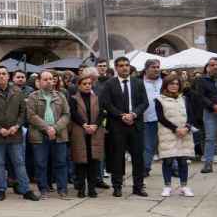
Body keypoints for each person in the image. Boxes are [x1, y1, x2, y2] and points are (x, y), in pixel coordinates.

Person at [0, 65, 39, 202]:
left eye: (4, 73)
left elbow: (23, 112)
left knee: (19, 162)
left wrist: (17, 126)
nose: (2, 76)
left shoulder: (17, 91)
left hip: (15, 133)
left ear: (8, 76)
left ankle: (25, 189)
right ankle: (1, 189)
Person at [100, 56, 149, 197]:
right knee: (117, 157)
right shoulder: (110, 84)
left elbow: (144, 103)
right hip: (117, 126)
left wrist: (133, 114)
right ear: (116, 68)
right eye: (121, 65)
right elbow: (106, 104)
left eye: (126, 65)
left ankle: (138, 187)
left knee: (138, 157)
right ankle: (117, 186)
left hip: (135, 125)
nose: (124, 68)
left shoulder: (138, 83)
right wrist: (121, 115)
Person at [26, 70, 72, 199]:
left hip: (59, 135)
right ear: (39, 81)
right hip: (39, 135)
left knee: (61, 163)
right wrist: (47, 128)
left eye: (51, 79)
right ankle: (43, 189)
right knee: (41, 163)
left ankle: (62, 189)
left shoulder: (60, 96)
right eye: (45, 79)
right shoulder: (33, 97)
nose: (48, 81)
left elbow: (66, 114)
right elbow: (31, 116)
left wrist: (55, 129)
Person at [156, 74, 195, 198]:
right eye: (171, 83)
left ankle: (184, 186)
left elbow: (191, 115)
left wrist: (187, 127)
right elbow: (161, 118)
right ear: (166, 85)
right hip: (168, 133)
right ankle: (167, 186)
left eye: (176, 84)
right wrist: (175, 129)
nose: (174, 86)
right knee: (168, 160)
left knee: (183, 160)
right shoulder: (159, 99)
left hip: (184, 133)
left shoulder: (184, 99)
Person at [69, 72, 105, 198]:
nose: (87, 86)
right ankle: (81, 189)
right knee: (81, 162)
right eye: (84, 84)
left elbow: (102, 113)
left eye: (89, 84)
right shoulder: (73, 98)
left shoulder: (97, 98)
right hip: (80, 132)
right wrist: (84, 125)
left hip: (95, 132)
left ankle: (92, 188)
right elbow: (73, 114)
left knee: (93, 161)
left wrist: (95, 125)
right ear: (79, 86)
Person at [194, 57, 217, 174]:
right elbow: (200, 96)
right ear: (208, 67)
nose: (215, 67)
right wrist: (213, 106)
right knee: (210, 138)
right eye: (212, 65)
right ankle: (208, 164)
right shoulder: (201, 80)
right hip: (209, 112)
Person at [141, 59, 163, 177]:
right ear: (146, 69)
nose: (156, 69)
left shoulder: (164, 82)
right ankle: (145, 168)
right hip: (147, 119)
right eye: (153, 67)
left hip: (164, 119)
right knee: (148, 145)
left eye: (157, 67)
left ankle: (173, 167)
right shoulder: (140, 83)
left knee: (167, 144)